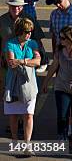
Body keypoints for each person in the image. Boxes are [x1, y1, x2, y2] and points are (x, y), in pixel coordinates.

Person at [4, 17, 41, 146]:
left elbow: (38, 61)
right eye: (26, 31)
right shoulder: (10, 44)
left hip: (29, 85)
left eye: (30, 31)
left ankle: (27, 143)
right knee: (13, 115)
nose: (29, 34)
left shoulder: (33, 43)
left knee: (28, 115)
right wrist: (29, 62)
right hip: (13, 84)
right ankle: (14, 140)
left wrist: (21, 61)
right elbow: (10, 64)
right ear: (20, 31)